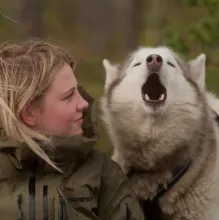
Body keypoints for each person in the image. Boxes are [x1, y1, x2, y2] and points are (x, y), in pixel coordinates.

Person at [0, 40, 145, 220]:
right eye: (69, 96)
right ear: (30, 113)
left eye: (78, 91)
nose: (83, 103)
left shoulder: (103, 173)